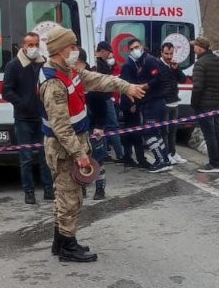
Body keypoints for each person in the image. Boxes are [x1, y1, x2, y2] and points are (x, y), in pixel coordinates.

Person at [39, 28, 145, 261]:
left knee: (65, 195)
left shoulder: (68, 71)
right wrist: (79, 155)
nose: (75, 50)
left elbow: (96, 79)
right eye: (71, 46)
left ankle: (60, 241)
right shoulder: (53, 83)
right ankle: (68, 246)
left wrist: (125, 86)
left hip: (72, 143)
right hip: (64, 148)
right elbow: (61, 127)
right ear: (59, 50)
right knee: (70, 197)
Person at [2, 31, 55, 204]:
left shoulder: (44, 63)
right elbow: (6, 91)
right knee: (25, 158)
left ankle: (49, 189)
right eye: (30, 45)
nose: (33, 48)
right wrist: (22, 103)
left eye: (36, 44)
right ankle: (29, 192)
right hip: (23, 118)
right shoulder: (14, 65)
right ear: (23, 46)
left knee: (45, 156)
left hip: (42, 117)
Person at [121, 37, 173, 172]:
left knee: (149, 132)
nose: (134, 51)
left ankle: (160, 160)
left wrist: (146, 86)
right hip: (150, 102)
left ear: (142, 46)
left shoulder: (148, 60)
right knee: (155, 132)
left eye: (136, 47)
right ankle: (164, 159)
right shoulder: (141, 62)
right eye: (131, 49)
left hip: (154, 103)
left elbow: (159, 78)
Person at [190, 37, 219, 173]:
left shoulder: (200, 64)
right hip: (218, 102)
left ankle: (213, 163)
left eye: (195, 47)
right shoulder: (218, 60)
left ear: (200, 48)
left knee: (209, 134)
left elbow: (197, 87)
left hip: (204, 104)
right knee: (217, 132)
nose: (194, 49)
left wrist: (194, 103)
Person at [77, 48, 110, 200]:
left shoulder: (92, 80)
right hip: (78, 127)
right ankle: (81, 187)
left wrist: (99, 126)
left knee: (98, 159)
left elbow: (103, 107)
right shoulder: (68, 79)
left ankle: (100, 188)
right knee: (79, 159)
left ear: (82, 63)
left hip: (94, 126)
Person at [92, 41, 125, 163]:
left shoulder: (96, 63)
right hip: (105, 99)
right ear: (103, 51)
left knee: (103, 127)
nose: (109, 56)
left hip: (102, 99)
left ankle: (104, 153)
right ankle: (120, 155)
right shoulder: (100, 65)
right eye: (108, 53)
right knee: (113, 126)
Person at [159, 42, 189, 165]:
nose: (169, 56)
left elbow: (183, 80)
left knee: (173, 131)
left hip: (174, 102)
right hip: (163, 103)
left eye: (171, 53)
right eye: (166, 53)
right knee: (164, 132)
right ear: (161, 53)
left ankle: (173, 152)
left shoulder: (173, 65)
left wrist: (177, 69)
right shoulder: (158, 65)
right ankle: (166, 154)